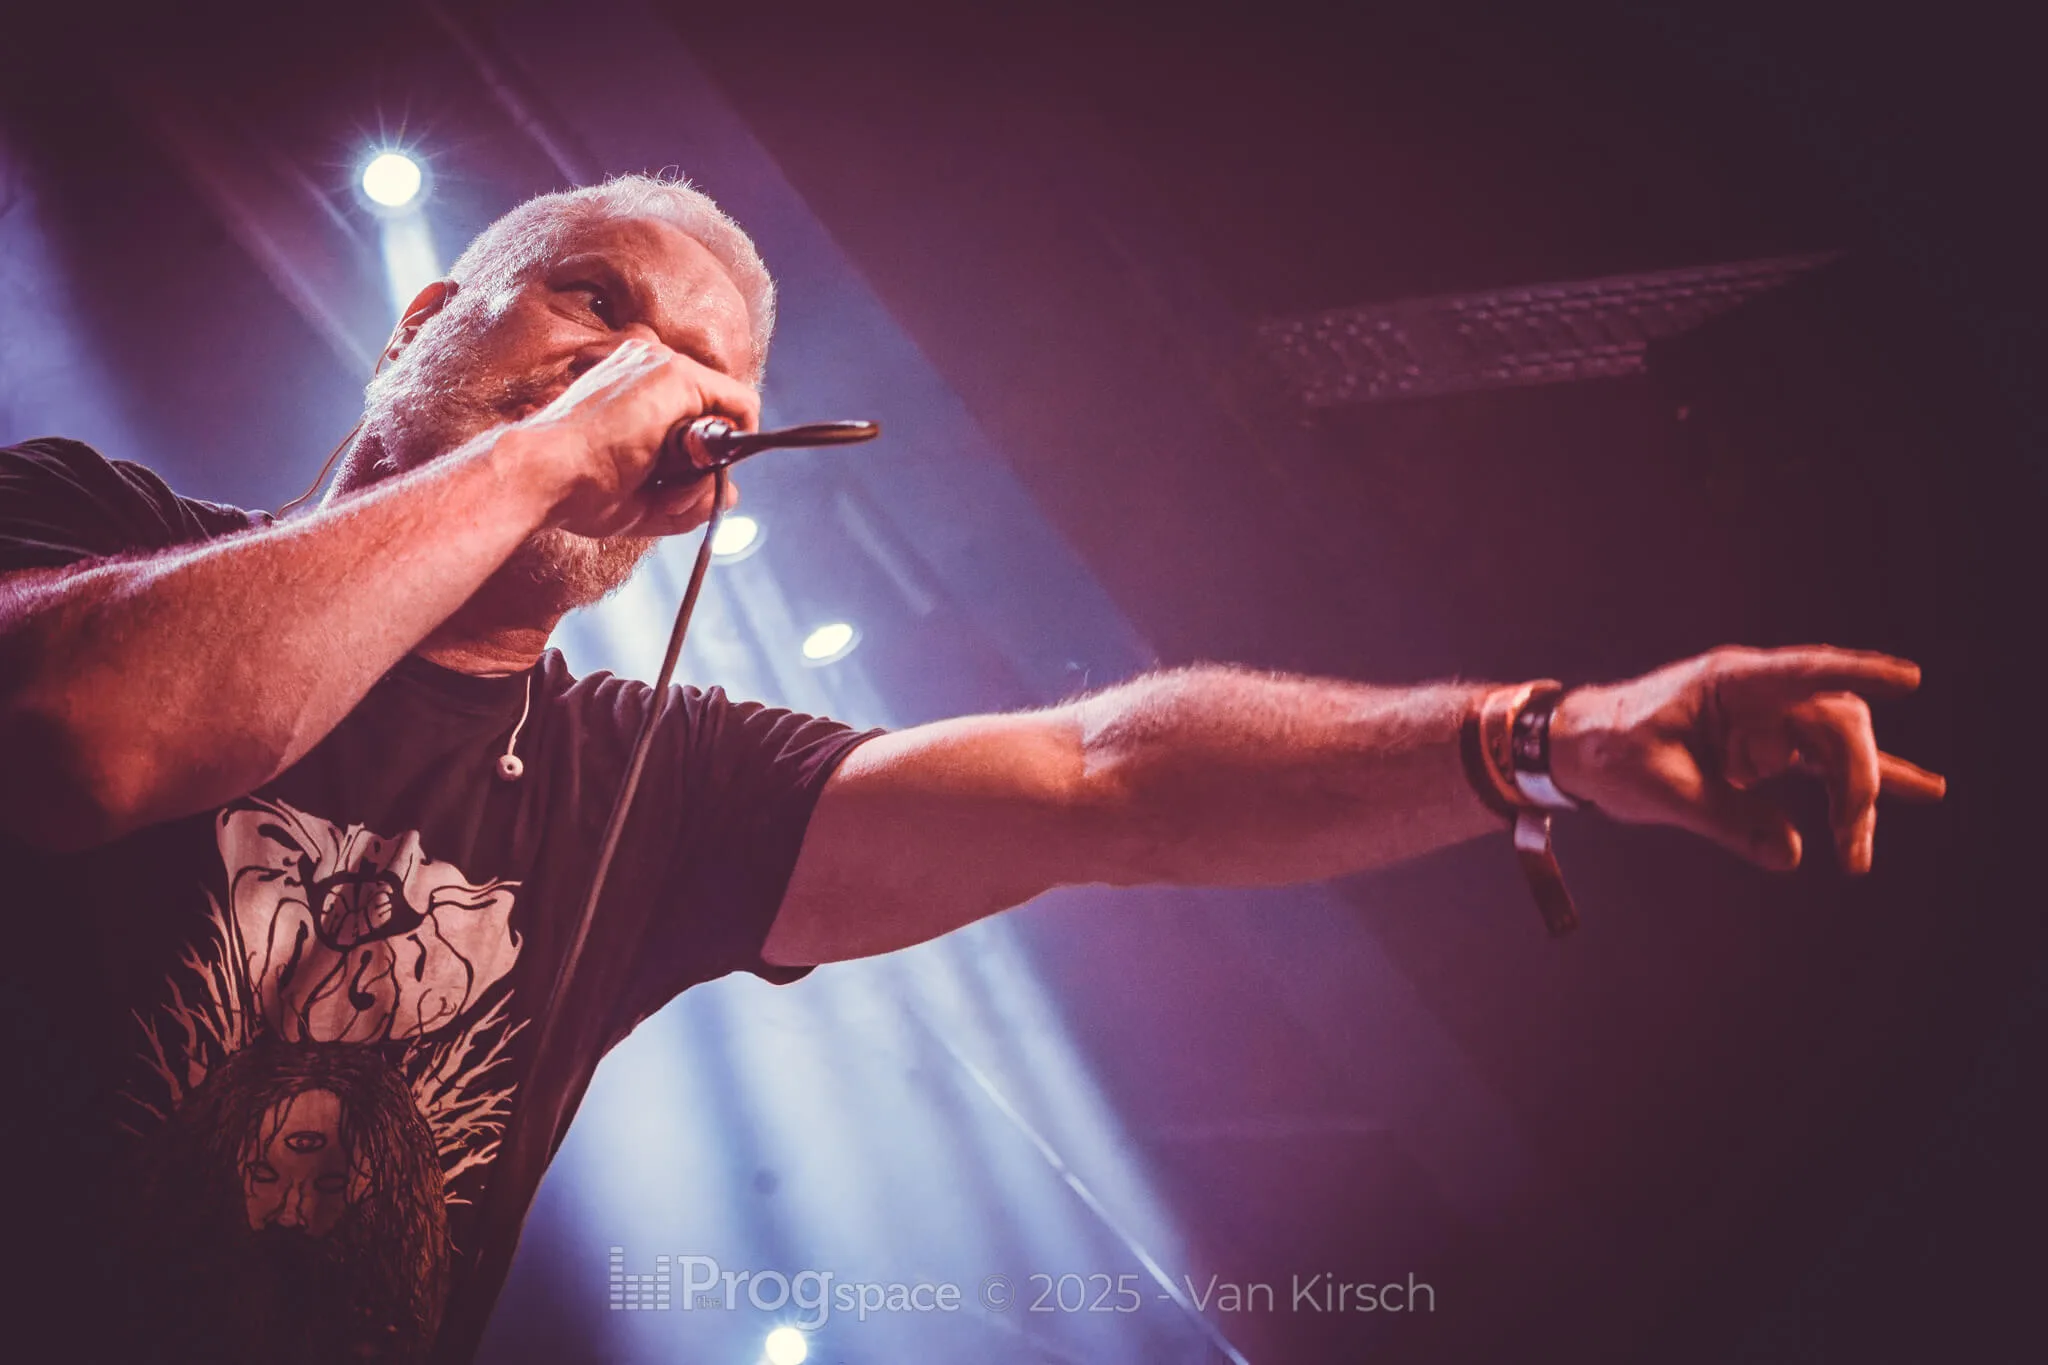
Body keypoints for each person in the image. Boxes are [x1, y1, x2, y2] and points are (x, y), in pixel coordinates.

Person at [0, 173, 1944, 1364]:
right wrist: (544, 445)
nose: (646, 382)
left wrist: (1536, 739)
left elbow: (1110, 777)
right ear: (427, 316)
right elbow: (95, 738)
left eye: (703, 388)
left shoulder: (645, 784)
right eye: (593, 298)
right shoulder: (82, 523)